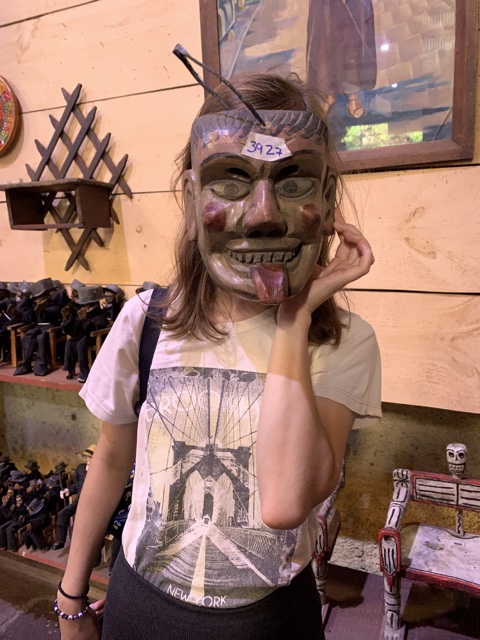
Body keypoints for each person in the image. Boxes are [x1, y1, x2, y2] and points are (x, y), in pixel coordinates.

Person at [55, 71, 381, 640]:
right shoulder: (147, 322)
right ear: (190, 199)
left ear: (328, 199)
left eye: (293, 182)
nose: (263, 214)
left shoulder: (343, 344)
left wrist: (294, 321)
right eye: (231, 180)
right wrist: (70, 597)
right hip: (141, 610)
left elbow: (284, 503)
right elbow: (110, 459)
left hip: (270, 622)